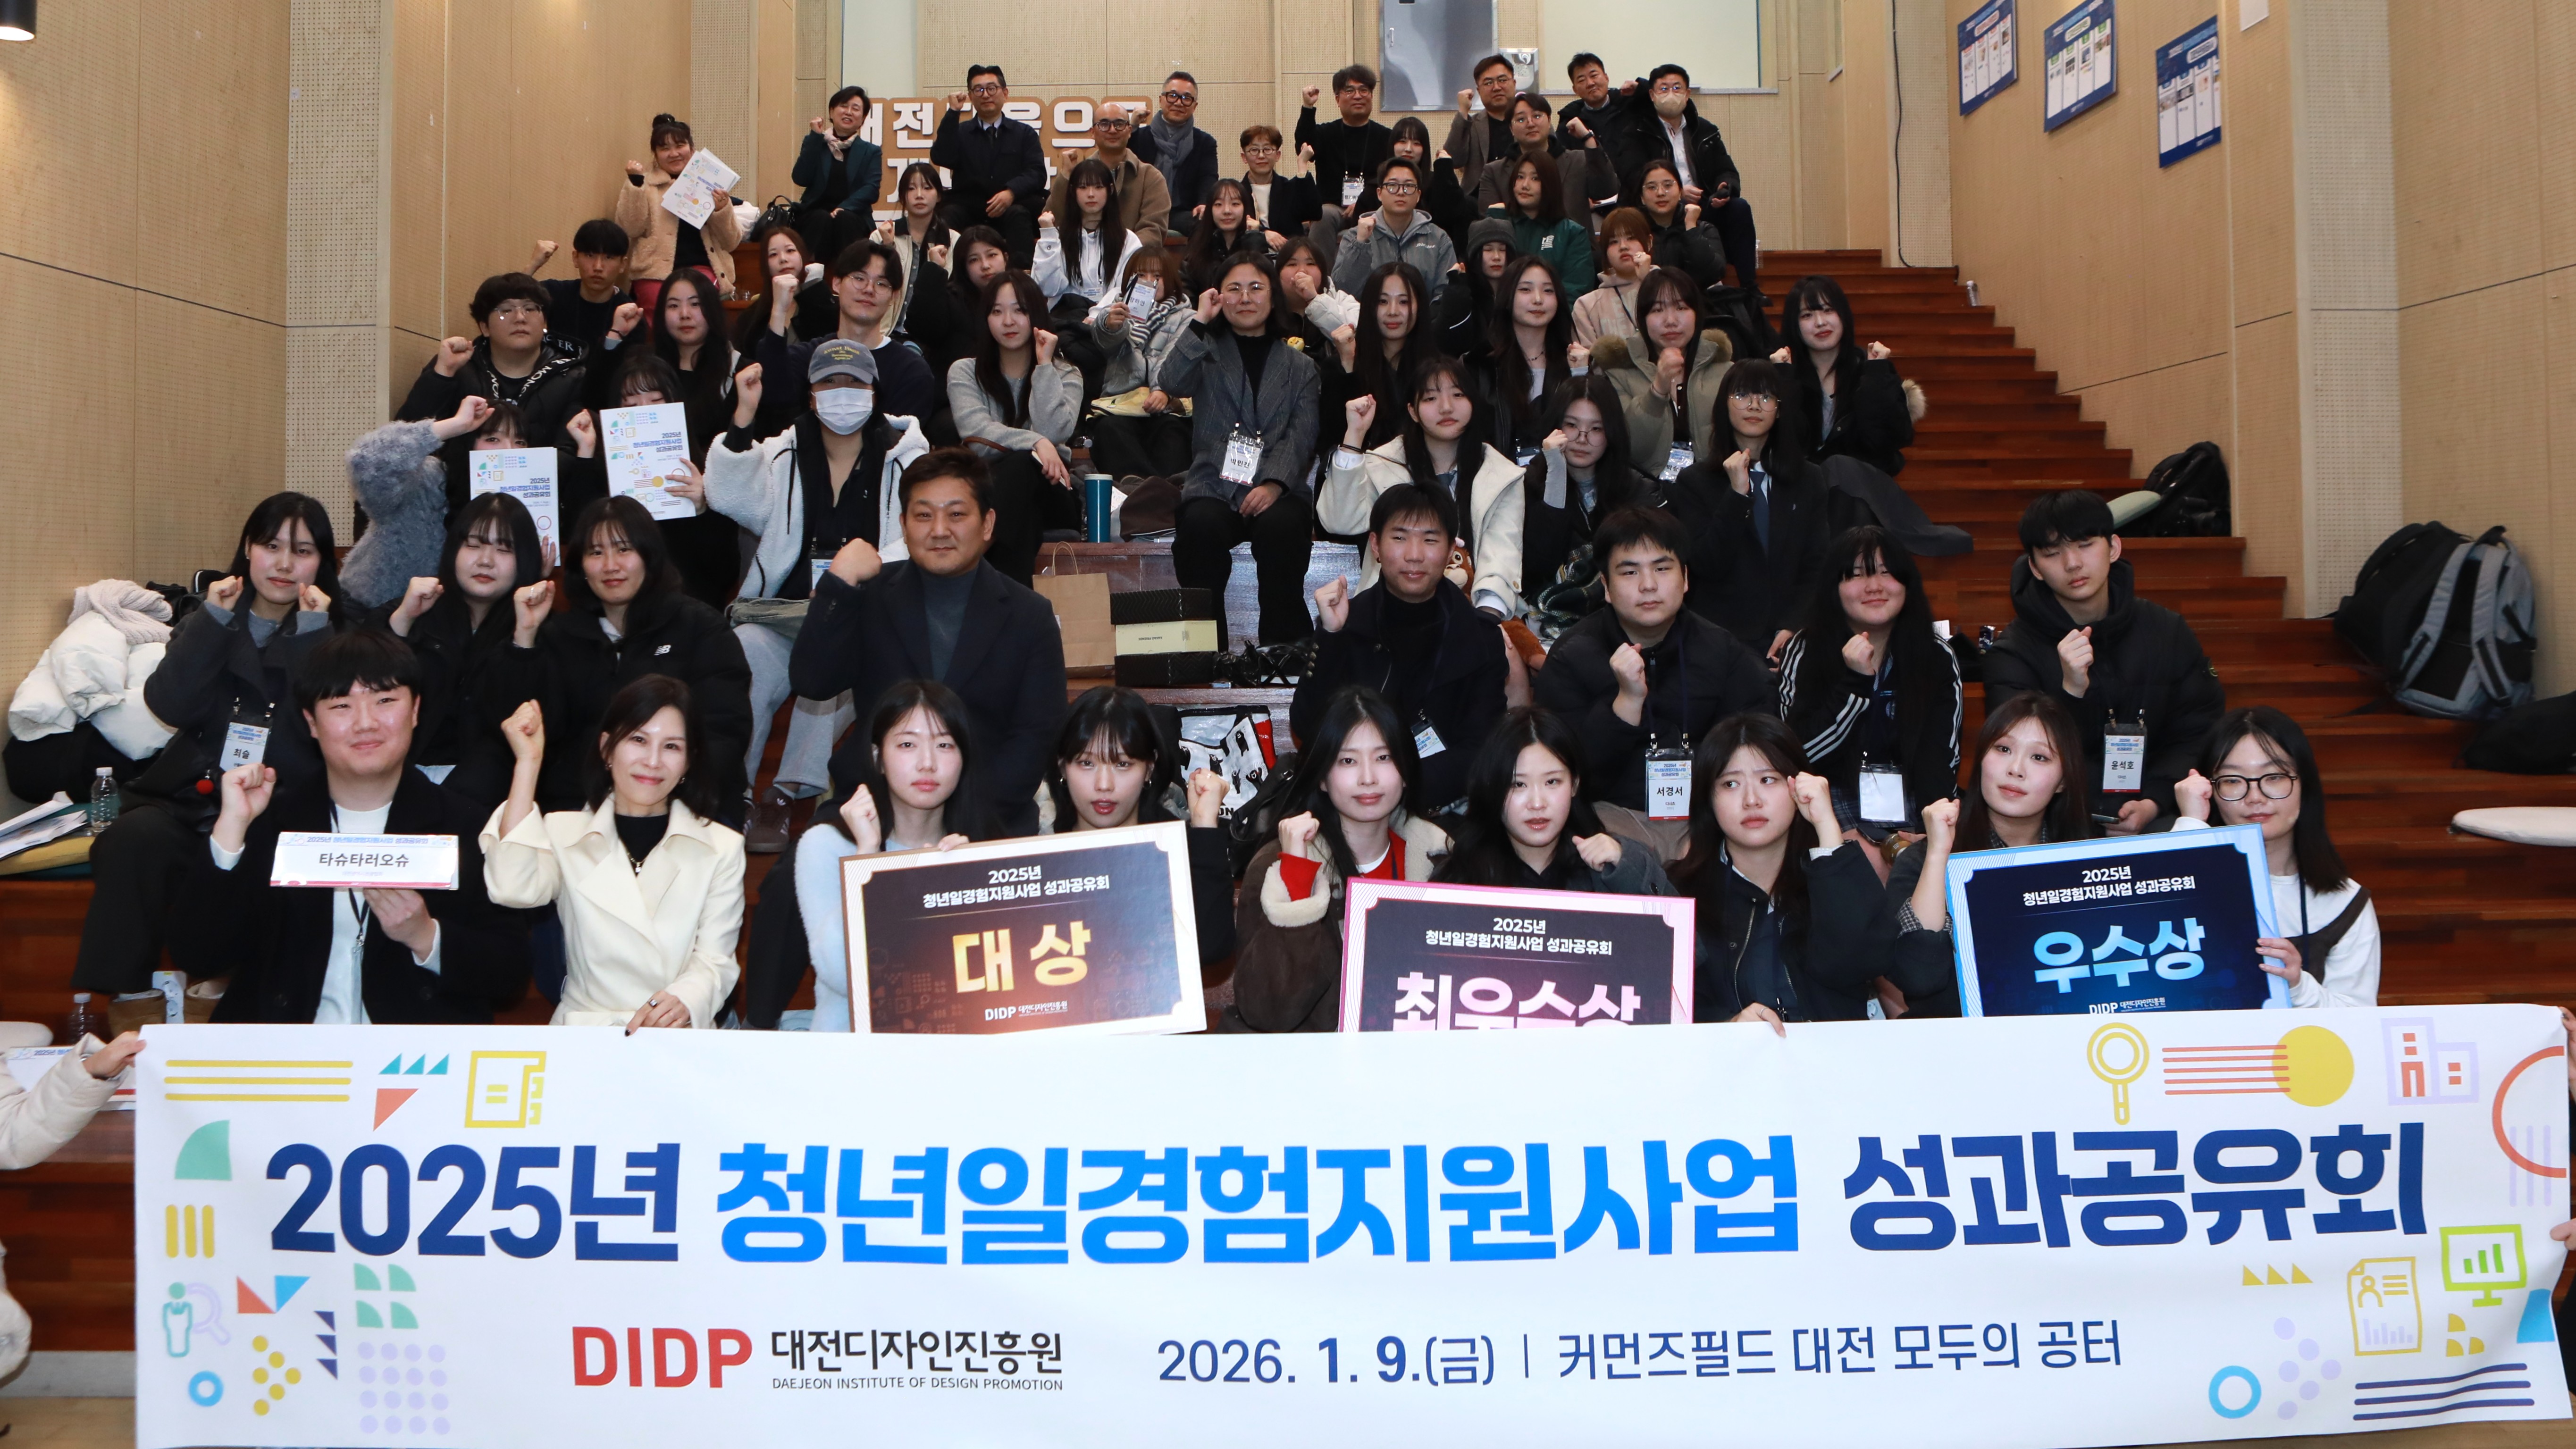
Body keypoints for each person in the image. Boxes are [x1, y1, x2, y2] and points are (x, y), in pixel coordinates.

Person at [71, 494, 345, 995]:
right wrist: (213, 621)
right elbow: (169, 704)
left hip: (281, 810)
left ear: (321, 562)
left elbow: (327, 730)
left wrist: (313, 634)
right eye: (271, 546)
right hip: (193, 802)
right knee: (133, 838)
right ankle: (123, 1002)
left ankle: (246, 1000)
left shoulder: (336, 632)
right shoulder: (212, 616)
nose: (284, 564)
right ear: (248, 548)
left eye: (303, 551)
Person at [200, 631, 528, 1024]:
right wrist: (231, 829)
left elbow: (509, 971)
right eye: (341, 705)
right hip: (291, 1050)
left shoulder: (467, 826)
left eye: (385, 700)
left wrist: (426, 936)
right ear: (311, 722)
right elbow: (201, 953)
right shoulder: (272, 821)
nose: (366, 723)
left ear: (415, 710)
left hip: (412, 1054)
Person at [705, 339, 930, 846]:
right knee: (745, 653)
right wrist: (743, 418)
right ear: (811, 394)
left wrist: (858, 577)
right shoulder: (783, 449)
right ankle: (734, 792)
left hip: (865, 613)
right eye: (830, 382)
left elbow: (917, 535)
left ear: (874, 392)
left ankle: (785, 793)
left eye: (854, 382)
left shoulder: (907, 455)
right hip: (783, 612)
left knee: (827, 674)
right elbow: (733, 498)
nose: (841, 392)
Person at [789, 447, 1066, 838]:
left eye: (956, 514)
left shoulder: (1030, 615)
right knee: (794, 873)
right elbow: (812, 681)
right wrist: (838, 584)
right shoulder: (869, 595)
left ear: (987, 523)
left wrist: (956, 821)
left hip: (987, 816)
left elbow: (1035, 738)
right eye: (923, 515)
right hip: (873, 809)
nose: (939, 530)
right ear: (903, 525)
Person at [484, 680, 743, 1029]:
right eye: (638, 740)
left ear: (688, 762)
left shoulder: (722, 846)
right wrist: (529, 761)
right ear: (607, 748)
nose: (653, 761)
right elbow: (511, 887)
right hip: (587, 1033)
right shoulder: (563, 832)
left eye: (671, 746)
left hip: (676, 1034)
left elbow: (716, 959)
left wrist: (684, 1001)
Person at [1533, 506, 1775, 860]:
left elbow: (1757, 747)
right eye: (1630, 572)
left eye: (1662, 569)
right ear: (1606, 587)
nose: (1648, 585)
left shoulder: (1721, 650)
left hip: (1707, 815)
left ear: (1685, 578)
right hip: (1609, 816)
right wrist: (1625, 705)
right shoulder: (1572, 656)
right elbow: (1565, 775)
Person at [495, 497, 753, 826]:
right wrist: (525, 639)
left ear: (650, 556)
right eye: (595, 552)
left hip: (684, 804)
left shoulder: (700, 628)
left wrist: (656, 797)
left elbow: (724, 732)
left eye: (623, 549)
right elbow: (524, 730)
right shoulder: (558, 634)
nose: (610, 565)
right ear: (580, 566)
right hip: (578, 809)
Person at [1982, 489, 2226, 834]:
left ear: (2113, 547)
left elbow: (2198, 728)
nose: (2072, 564)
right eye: (2052, 553)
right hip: (2055, 824)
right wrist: (2070, 693)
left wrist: (2154, 801)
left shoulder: (2166, 631)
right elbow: (2017, 756)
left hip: (2157, 812)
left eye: (2085, 545)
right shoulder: (2013, 652)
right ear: (2035, 568)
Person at [1228, 685, 1451, 1033]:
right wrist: (1297, 881)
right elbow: (1267, 1013)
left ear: (1406, 768)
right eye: (1348, 761)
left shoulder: (1440, 859)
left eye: (1384, 757)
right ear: (1321, 777)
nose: (1368, 778)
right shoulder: (1278, 864)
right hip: (1314, 1062)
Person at [1665, 713, 1900, 1022]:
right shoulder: (1678, 891)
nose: (1751, 800)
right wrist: (1726, 1027)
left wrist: (1827, 829)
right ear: (1708, 798)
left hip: (1832, 1049)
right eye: (1730, 784)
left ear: (1797, 788)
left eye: (1767, 780)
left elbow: (1859, 962)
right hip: (1728, 1052)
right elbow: (1666, 1005)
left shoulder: (1834, 874)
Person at [1294, 485, 1509, 816]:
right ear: (1376, 545)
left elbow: (1481, 749)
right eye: (1399, 537)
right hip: (1352, 805)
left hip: (1444, 808)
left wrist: (1397, 788)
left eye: (1430, 539)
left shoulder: (1480, 637)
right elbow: (1310, 728)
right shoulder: (1346, 623)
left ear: (1451, 550)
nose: (1414, 555)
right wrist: (1331, 635)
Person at [792, 680, 994, 1032]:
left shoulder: (985, 852)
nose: (927, 763)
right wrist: (868, 863)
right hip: (851, 1052)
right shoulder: (827, 845)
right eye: (907, 744)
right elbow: (841, 976)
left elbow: (993, 983)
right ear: (878, 758)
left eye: (944, 745)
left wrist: (962, 882)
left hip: (953, 1048)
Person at [1888, 691, 2100, 1017]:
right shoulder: (1922, 861)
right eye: (2003, 749)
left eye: (2039, 757)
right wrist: (1938, 855)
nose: (2015, 769)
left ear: (2063, 781)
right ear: (1981, 760)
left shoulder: (2090, 862)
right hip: (1955, 1040)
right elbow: (1919, 978)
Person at [2168, 706, 2381, 1008]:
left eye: (2275, 777)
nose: (2255, 797)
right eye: (2232, 780)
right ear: (2210, 790)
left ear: (2304, 785)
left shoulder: (2345, 902)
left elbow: (2360, 1022)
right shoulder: (2187, 874)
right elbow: (2162, 899)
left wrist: (2298, 987)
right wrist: (2191, 823)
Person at [1164, 252, 1321, 650]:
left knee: (1282, 528)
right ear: (1219, 296)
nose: (1245, 297)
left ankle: (1283, 651)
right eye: (1233, 289)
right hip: (1214, 484)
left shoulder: (1300, 367)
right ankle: (1205, 652)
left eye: (1256, 288)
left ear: (1273, 297)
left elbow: (1301, 435)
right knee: (1199, 527)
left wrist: (1273, 484)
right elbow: (1171, 381)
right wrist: (1199, 321)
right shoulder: (1205, 351)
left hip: (1278, 488)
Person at [1777, 526, 1963, 844]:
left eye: (1887, 572)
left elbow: (1940, 759)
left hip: (1912, 797)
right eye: (1856, 575)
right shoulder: (1805, 649)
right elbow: (1799, 755)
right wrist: (1856, 683)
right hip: (1825, 800)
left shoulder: (1936, 655)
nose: (1874, 586)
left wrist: (1928, 836)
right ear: (1834, 587)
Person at [369, 491, 547, 812]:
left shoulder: (542, 628)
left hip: (489, 798)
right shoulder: (415, 608)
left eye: (504, 549)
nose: (486, 560)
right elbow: (365, 689)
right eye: (474, 545)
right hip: (397, 781)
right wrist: (403, 621)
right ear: (454, 549)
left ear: (525, 558)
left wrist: (524, 639)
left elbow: (525, 725)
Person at [1320, 354, 1524, 619]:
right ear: (1413, 411)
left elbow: (1502, 554)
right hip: (1390, 611)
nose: (1446, 407)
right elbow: (1339, 521)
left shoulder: (1503, 475)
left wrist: (1485, 621)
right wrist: (1354, 436)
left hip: (1474, 609)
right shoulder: (1383, 464)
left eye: (1458, 395)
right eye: (1430, 398)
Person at [1044, 686, 1237, 963]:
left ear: (1149, 768)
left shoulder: (1172, 851)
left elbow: (1211, 949)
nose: (1104, 785)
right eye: (1087, 763)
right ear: (1063, 767)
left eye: (1123, 764)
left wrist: (1205, 826)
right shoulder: (1035, 858)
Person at [1667, 360, 1835, 661]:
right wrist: (1736, 495)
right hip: (1718, 638)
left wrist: (1793, 626)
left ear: (1779, 410)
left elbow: (1817, 564)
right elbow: (1706, 565)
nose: (1755, 405)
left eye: (1766, 397)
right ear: (1724, 406)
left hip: (1788, 635)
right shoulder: (1695, 482)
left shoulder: (1808, 479)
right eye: (1742, 395)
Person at [1431, 705, 1676, 896]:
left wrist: (1627, 868)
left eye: (1552, 782)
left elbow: (1683, 940)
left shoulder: (1616, 863)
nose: (1537, 803)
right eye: (1518, 785)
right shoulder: (1460, 878)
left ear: (1575, 785)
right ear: (1493, 788)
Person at [946, 271, 1082, 585]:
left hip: (1053, 491)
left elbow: (1054, 432)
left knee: (1023, 467)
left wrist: (1044, 365)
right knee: (1023, 513)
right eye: (997, 311)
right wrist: (1036, 442)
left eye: (1019, 310)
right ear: (985, 319)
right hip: (988, 490)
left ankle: (969, 561)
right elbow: (976, 436)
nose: (1008, 321)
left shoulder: (1066, 374)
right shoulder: (964, 372)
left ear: (1036, 314)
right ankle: (1011, 599)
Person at [628, 268, 747, 606]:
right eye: (673, 305)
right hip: (650, 501)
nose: (684, 314)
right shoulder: (645, 370)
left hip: (710, 510)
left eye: (695, 304)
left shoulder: (738, 371)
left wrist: (707, 490)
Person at [754, 239, 943, 433]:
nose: (869, 289)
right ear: (836, 283)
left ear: (894, 297)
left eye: (881, 284)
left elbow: (900, 442)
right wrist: (779, 311)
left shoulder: (911, 371)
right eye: (859, 278)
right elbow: (774, 397)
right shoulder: (809, 357)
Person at [341, 394, 512, 609]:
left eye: (520, 442)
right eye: (493, 439)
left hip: (452, 621)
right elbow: (367, 460)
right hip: (370, 610)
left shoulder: (524, 504)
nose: (509, 450)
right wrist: (456, 425)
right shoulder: (429, 479)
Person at [1518, 376, 1661, 617]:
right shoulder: (1526, 485)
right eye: (1572, 425)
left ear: (1611, 433)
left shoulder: (1637, 489)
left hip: (1623, 612)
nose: (1582, 439)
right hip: (1545, 613)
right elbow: (1539, 567)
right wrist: (1556, 473)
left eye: (1596, 429)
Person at [396, 272, 587, 449]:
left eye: (530, 309)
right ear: (484, 327)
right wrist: (442, 375)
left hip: (544, 476)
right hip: (462, 475)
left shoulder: (572, 377)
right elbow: (406, 440)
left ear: (545, 323)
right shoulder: (459, 367)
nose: (520, 318)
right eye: (506, 310)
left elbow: (573, 450)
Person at [1588, 266, 1735, 481]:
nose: (1671, 320)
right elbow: (1630, 449)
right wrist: (1657, 391)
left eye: (1681, 308)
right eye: (1657, 310)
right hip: (1647, 490)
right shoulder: (1618, 373)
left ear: (1697, 313)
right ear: (1642, 319)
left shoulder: (1725, 370)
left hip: (1712, 487)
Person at [1630, 66, 1757, 294]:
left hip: (1704, 204)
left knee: (1739, 208)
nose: (1671, 94)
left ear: (1687, 94)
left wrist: (1725, 188)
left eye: (1677, 88)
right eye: (1664, 89)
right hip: (1661, 207)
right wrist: (1677, 191)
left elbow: (1727, 170)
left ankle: (1749, 287)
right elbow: (1633, 176)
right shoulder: (1638, 131)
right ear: (1652, 95)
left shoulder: (1705, 129)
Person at [1772, 275, 1917, 475]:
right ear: (1794, 324)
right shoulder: (1784, 373)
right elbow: (1781, 444)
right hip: (1800, 487)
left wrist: (1876, 375)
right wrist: (1783, 379)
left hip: (1861, 486)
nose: (1820, 323)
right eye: (1807, 315)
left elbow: (1888, 441)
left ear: (1843, 315)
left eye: (1828, 310)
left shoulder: (1870, 370)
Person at [1084, 246, 1196, 488]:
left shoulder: (1186, 316)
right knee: (1108, 429)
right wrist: (1111, 326)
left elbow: (1174, 355)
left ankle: (1163, 489)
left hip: (1165, 404)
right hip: (1121, 402)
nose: (1149, 282)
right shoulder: (1116, 310)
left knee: (1173, 430)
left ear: (1170, 280)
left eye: (1157, 276)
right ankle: (1139, 487)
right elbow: (1104, 342)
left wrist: (1163, 391)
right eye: (1141, 275)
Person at [614, 114, 741, 314]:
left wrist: (721, 210)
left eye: (680, 146)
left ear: (692, 149)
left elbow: (732, 242)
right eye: (665, 149)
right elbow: (630, 229)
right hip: (654, 272)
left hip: (703, 268)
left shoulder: (711, 184)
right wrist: (635, 185)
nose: (674, 154)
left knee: (698, 303)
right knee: (659, 305)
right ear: (656, 155)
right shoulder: (644, 184)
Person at [930, 66, 1047, 266]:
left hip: (1010, 206)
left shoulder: (1024, 133)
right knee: (948, 215)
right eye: (979, 90)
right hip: (970, 208)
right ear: (971, 96)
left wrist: (1011, 192)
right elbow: (941, 157)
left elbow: (1036, 173)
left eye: (992, 88)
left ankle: (1022, 275)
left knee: (1020, 214)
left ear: (1005, 93)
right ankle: (946, 274)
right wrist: (953, 112)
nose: (986, 95)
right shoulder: (960, 132)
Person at [1476, 253, 1585, 458]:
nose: (1538, 299)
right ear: (1507, 296)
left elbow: (1589, 426)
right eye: (1526, 289)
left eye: (1548, 291)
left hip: (1562, 472)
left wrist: (1581, 374)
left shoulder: (1574, 362)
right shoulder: (1480, 365)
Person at [1327, 262, 1440, 452]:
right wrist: (1349, 367)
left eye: (1404, 302)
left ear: (1420, 307)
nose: (1393, 311)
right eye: (1383, 302)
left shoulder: (1437, 368)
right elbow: (1334, 441)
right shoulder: (1339, 366)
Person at [1474, 92, 1614, 242]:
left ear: (1549, 120)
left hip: (1575, 248)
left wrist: (1588, 140)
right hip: (1520, 251)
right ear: (1511, 129)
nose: (1530, 123)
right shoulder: (1494, 172)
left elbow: (1607, 190)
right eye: (1521, 119)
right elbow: (1491, 224)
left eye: (1537, 116)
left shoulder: (1578, 160)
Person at [1295, 67, 1393, 261]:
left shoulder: (1387, 137)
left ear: (1371, 96)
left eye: (1364, 90)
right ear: (1338, 99)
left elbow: (1389, 177)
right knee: (1323, 214)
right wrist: (1308, 108)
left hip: (1373, 206)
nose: (1358, 96)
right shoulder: (1326, 133)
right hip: (1334, 209)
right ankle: (1321, 275)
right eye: (1350, 91)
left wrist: (1363, 202)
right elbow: (1304, 147)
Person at [1044, 104, 1171, 248]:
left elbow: (1153, 231)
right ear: (1092, 132)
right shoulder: (1079, 176)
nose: (1112, 130)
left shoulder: (1151, 177)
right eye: (1104, 125)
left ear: (1130, 131)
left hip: (1131, 258)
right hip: (1081, 257)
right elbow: (1053, 221)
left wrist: (1121, 252)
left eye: (1119, 124)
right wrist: (1066, 177)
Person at [1328, 157, 1458, 297]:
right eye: (1392, 186)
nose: (1401, 192)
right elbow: (1342, 291)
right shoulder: (1355, 236)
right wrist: (1360, 245)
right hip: (1367, 311)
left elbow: (1445, 295)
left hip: (1425, 311)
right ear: (1379, 194)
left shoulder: (1438, 238)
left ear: (1418, 196)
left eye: (1409, 186)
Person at [1484, 154, 1596, 307]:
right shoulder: (1501, 225)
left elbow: (1575, 293)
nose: (1525, 185)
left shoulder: (1572, 233)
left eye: (1535, 179)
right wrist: (1494, 220)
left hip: (1553, 317)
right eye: (1520, 177)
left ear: (1550, 184)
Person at [1033, 159, 1143, 309]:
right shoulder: (1056, 238)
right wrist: (1048, 236)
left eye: (1098, 187)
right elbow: (1048, 288)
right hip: (1066, 318)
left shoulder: (1128, 240)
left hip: (1110, 318)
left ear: (1110, 190)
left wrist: (1097, 315)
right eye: (1083, 187)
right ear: (1073, 191)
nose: (1091, 194)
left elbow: (1126, 290)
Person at [791, 86, 883, 264]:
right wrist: (815, 137)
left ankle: (849, 273)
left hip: (853, 216)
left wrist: (844, 207)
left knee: (844, 219)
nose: (849, 112)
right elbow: (800, 178)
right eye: (844, 106)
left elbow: (871, 189)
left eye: (856, 109)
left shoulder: (871, 151)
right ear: (832, 112)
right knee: (820, 218)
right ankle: (811, 275)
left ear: (863, 118)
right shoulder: (816, 143)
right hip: (815, 216)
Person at [1132, 73, 1220, 239]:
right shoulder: (1139, 137)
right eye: (1172, 96)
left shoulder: (1205, 142)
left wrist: (1204, 203)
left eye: (1186, 98)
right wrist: (1132, 128)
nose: (1179, 103)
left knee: (1207, 225)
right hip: (1141, 211)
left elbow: (1208, 178)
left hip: (1180, 213)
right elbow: (1122, 164)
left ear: (1194, 106)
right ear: (1161, 100)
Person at [527, 219, 635, 354]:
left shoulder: (630, 316)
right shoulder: (554, 293)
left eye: (609, 258)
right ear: (576, 258)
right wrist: (533, 265)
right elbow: (506, 302)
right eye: (590, 255)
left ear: (623, 264)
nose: (598, 267)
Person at [878, 161, 954, 342]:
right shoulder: (881, 235)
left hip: (933, 336)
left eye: (927, 188)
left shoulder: (953, 239)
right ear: (902, 197)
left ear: (939, 196)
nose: (919, 195)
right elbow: (876, 284)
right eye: (911, 189)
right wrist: (888, 248)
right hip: (886, 334)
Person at [1629, 159, 1729, 294]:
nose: (1660, 193)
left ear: (1681, 192)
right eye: (1652, 187)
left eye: (1668, 185)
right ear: (1642, 197)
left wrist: (1691, 229)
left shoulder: (1703, 229)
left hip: (1693, 303)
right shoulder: (1633, 233)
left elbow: (1712, 274)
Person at [1558, 53, 1648, 199]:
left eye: (1594, 76)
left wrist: (1641, 88)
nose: (1590, 83)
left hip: (1635, 196)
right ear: (1575, 90)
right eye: (1582, 80)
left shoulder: (1630, 106)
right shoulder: (1569, 125)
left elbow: (1660, 103)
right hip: (1593, 201)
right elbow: (1566, 169)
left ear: (1606, 78)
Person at [735, 224, 835, 355]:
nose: (783, 259)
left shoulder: (822, 302)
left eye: (790, 251)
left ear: (802, 255)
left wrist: (815, 287)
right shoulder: (751, 317)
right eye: (773, 254)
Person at [1391, 117, 1478, 255]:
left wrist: (1445, 167)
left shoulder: (1436, 183)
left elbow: (1454, 217)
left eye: (1416, 143)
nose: (1408, 149)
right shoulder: (1377, 186)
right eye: (1402, 141)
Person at [1570, 206, 1655, 348]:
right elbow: (1588, 357)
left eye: (1631, 238)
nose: (1623, 247)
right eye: (1613, 242)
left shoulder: (1671, 288)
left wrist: (1647, 281)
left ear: (1649, 242)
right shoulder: (1586, 305)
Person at [1178, 178, 1271, 297]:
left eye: (1235, 204)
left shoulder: (1255, 242)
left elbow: (1267, 288)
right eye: (1219, 205)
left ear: (1246, 208)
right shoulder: (1198, 248)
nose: (1227, 211)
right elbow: (1186, 298)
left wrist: (1254, 239)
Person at [1443, 54, 1524, 186]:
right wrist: (1463, 112)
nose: (1497, 87)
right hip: (1479, 195)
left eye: (1502, 80)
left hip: (1523, 192)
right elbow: (1454, 160)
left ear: (1514, 84)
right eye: (1488, 83)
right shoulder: (1472, 125)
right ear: (1479, 91)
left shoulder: (1531, 120)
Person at [1237, 124, 1315, 241]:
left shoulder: (1290, 188)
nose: (1261, 156)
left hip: (1286, 250)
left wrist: (1302, 165)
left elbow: (1314, 213)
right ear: (1244, 157)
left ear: (1278, 155)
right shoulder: (1237, 192)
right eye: (1254, 150)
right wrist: (1263, 232)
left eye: (1268, 149)